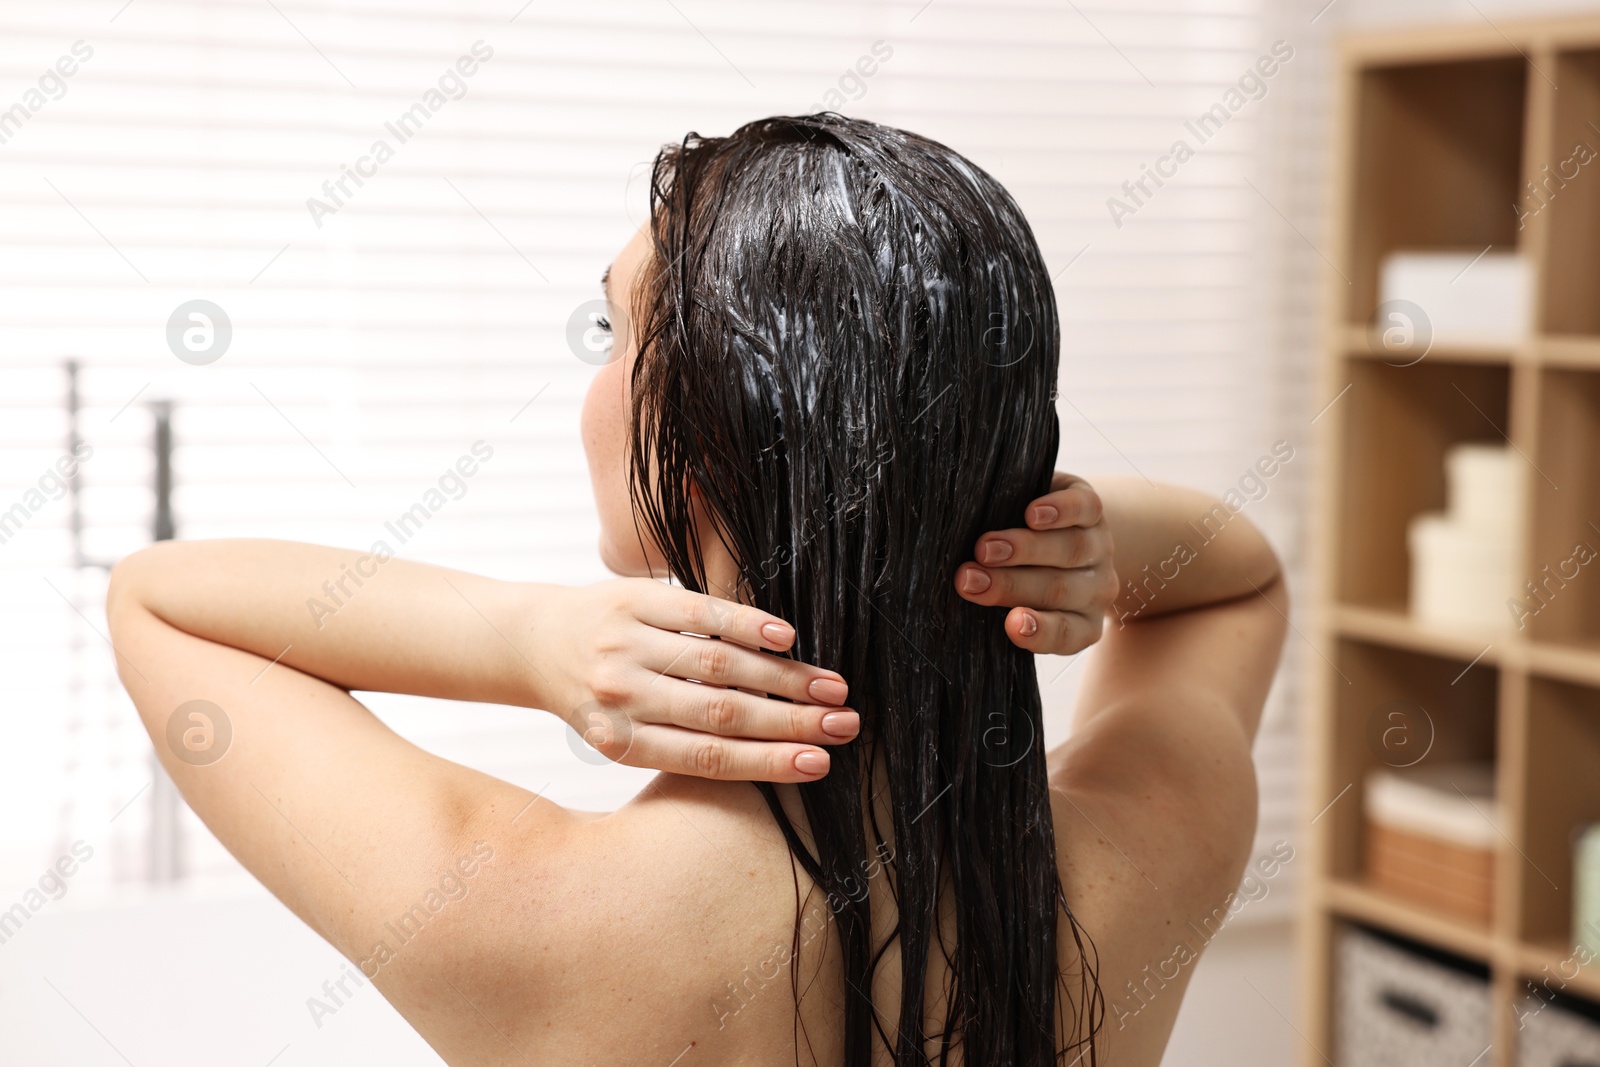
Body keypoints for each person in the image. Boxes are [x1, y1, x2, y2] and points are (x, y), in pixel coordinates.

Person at [106, 114, 1286, 1066]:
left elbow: (162, 599)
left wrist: (523, 638)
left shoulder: (525, 913)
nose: (596, 379)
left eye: (615, 334)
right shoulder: (1140, 859)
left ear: (711, 425)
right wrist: (1069, 524)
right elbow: (1236, 584)